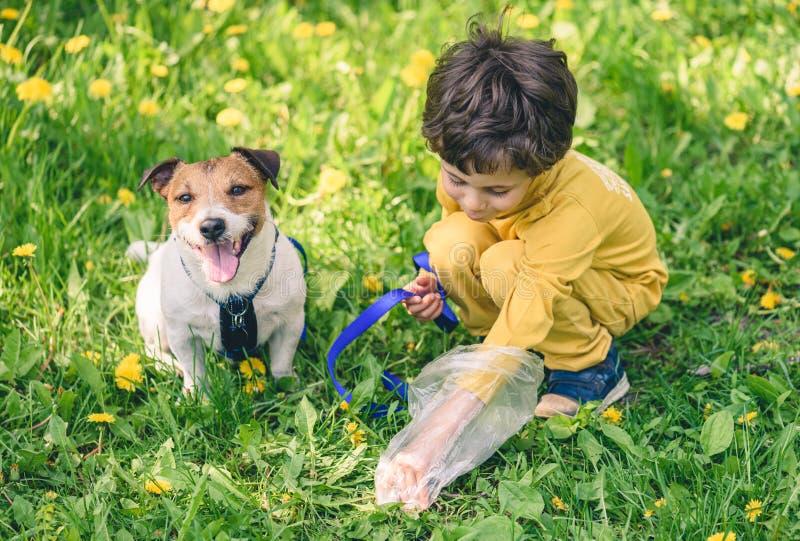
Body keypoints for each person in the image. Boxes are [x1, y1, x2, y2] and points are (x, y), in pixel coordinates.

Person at [375, 14, 668, 509]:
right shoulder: (475, 164)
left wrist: (435, 436)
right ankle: (499, 343)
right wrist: (436, 280)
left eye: (496, 190)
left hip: (617, 286)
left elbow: (536, 291)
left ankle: (590, 365)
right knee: (452, 241)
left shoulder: (572, 209)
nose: (471, 200)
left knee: (508, 268)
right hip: (525, 261)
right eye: (454, 178)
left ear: (544, 166)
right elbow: (464, 222)